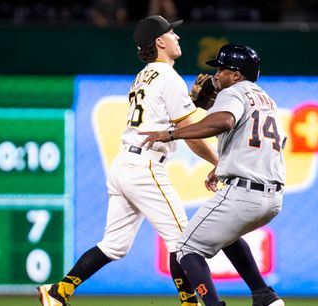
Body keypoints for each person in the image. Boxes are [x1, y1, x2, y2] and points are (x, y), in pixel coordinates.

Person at [37, 15, 218, 306]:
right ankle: (190, 302)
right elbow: (191, 136)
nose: (178, 37)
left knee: (114, 245)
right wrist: (217, 163)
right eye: (172, 33)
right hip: (145, 166)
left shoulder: (145, 75)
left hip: (123, 166)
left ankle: (59, 291)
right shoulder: (169, 77)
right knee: (184, 242)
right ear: (160, 41)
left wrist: (192, 105)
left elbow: (162, 115)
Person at [140, 44, 286, 306]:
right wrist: (221, 168)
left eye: (222, 69)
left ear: (237, 75)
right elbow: (264, 146)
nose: (216, 75)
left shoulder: (234, 92)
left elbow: (225, 121)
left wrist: (171, 134)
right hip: (272, 200)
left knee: (187, 250)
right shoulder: (267, 100)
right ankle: (265, 297)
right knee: (224, 235)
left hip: (243, 194)